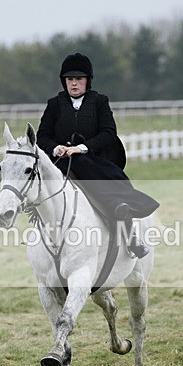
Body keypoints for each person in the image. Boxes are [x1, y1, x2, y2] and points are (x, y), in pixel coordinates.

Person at [36, 52, 159, 258]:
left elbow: (108, 133)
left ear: (87, 81)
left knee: (87, 167)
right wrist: (56, 148)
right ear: (64, 81)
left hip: (94, 160)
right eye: (69, 79)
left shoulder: (100, 102)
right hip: (61, 163)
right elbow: (42, 136)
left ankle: (130, 236)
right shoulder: (54, 105)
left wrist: (82, 148)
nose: (74, 84)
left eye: (78, 79)